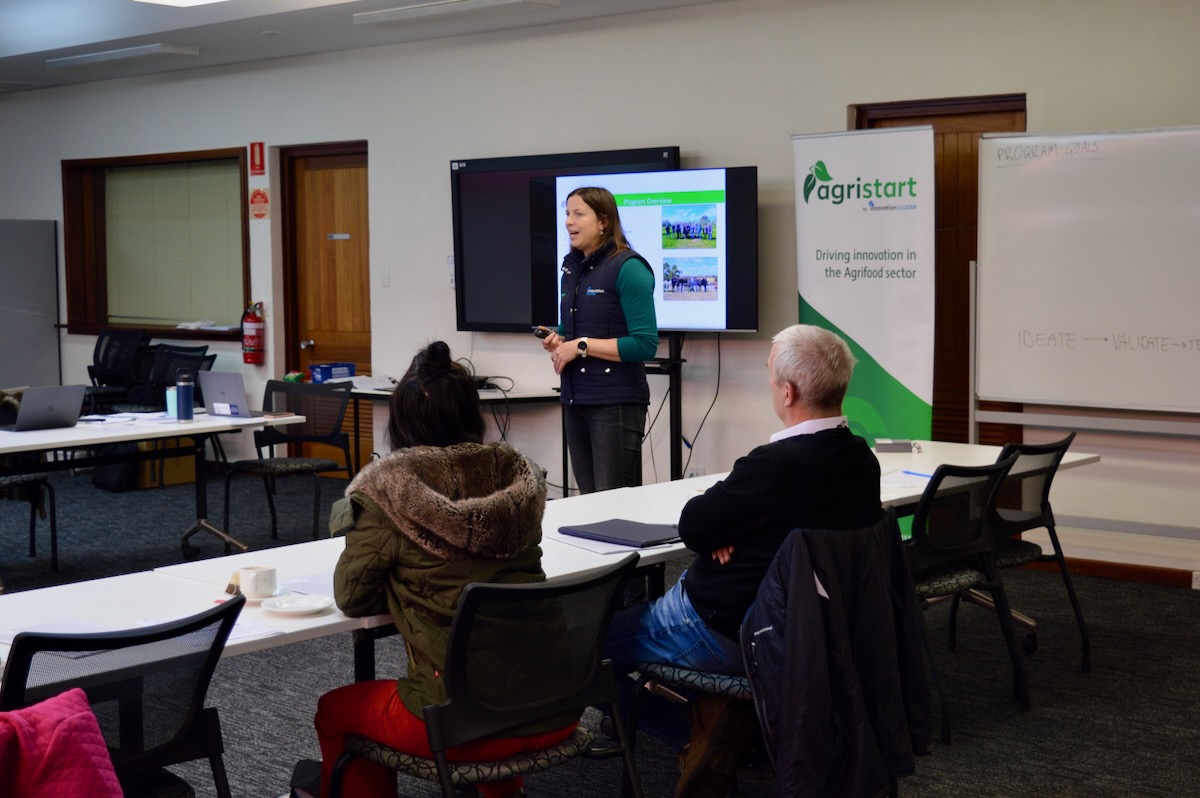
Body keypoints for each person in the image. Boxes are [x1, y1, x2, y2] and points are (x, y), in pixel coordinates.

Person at [604, 324, 883, 785]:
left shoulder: (773, 466)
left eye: (771, 377)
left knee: (584, 649)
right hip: (808, 632)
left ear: (788, 392)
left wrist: (723, 527)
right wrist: (730, 527)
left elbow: (694, 525)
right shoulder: (861, 461)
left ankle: (688, 735)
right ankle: (720, 717)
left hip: (725, 629)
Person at [312, 341, 574, 798]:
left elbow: (351, 598)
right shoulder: (517, 478)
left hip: (463, 725)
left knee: (335, 712)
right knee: (492, 668)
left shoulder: (388, 494)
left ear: (400, 421)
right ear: (473, 414)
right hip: (558, 705)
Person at [537, 185, 659, 495]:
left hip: (615, 404)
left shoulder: (629, 268)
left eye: (579, 214)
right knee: (589, 502)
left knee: (613, 502)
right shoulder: (571, 269)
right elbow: (575, 327)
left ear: (603, 222)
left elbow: (645, 344)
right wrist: (559, 338)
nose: (569, 222)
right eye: (567, 213)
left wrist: (580, 346)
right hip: (576, 400)